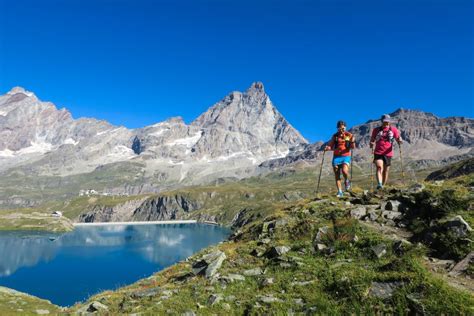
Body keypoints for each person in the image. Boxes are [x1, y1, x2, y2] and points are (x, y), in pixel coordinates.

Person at [370, 114, 403, 189]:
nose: (386, 123)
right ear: (382, 122)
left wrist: (399, 141)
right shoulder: (376, 130)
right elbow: (372, 140)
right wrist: (371, 144)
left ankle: (383, 186)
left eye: (388, 122)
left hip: (388, 153)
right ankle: (380, 184)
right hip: (378, 152)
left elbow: (398, 138)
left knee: (385, 171)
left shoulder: (393, 130)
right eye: (385, 122)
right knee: (379, 167)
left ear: (390, 122)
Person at [324, 120, 355, 197]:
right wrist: (327, 148)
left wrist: (352, 142)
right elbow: (330, 145)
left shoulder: (349, 135)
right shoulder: (335, 136)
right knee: (337, 173)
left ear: (345, 127)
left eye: (343, 128)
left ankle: (347, 181)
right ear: (337, 128)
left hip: (346, 156)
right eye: (340, 129)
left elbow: (353, 147)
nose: (341, 130)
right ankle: (340, 192)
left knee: (344, 171)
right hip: (336, 157)